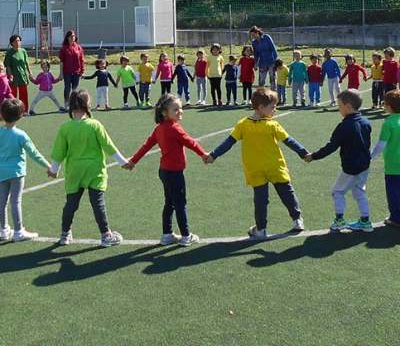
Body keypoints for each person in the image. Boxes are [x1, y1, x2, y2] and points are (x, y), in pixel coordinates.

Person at [205, 88, 308, 239]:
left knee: (261, 200)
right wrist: (303, 153)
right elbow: (289, 141)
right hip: (275, 167)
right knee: (286, 193)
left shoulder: (243, 124)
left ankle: (261, 229)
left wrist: (214, 155)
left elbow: (229, 142)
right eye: (272, 107)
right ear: (260, 107)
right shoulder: (272, 125)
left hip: (255, 169)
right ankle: (297, 220)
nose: (275, 110)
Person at [124, 94, 206, 246]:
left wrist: (133, 161)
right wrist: (204, 154)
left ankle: (167, 234)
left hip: (164, 172)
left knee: (170, 203)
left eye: (180, 108)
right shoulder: (175, 129)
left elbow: (146, 146)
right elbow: (191, 143)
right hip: (175, 173)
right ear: (164, 112)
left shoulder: (159, 129)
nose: (180, 111)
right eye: (175, 109)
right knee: (180, 203)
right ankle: (186, 236)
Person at [49, 89, 127, 247]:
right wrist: (123, 162)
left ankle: (65, 234)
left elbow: (58, 153)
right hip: (94, 170)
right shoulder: (95, 125)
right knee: (97, 202)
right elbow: (109, 146)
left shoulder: (65, 128)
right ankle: (106, 235)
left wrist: (54, 169)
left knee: (71, 203)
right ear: (87, 106)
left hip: (74, 171)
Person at [305, 90, 373, 232]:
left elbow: (331, 146)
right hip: (364, 165)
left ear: (347, 106)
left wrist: (313, 156)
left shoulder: (344, 126)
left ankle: (340, 220)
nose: (338, 108)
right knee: (359, 191)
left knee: (337, 191)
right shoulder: (366, 122)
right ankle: (365, 221)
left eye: (339, 105)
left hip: (351, 167)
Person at [0, 98, 54, 242]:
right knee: (15, 201)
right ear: (20, 116)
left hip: (1, 172)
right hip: (16, 173)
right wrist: (48, 166)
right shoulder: (20, 135)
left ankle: (3, 230)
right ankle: (18, 231)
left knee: (2, 202)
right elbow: (34, 153)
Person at [371, 89, 400, 227]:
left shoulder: (389, 122)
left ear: (389, 106)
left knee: (393, 191)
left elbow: (381, 144)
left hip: (393, 164)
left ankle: (395, 218)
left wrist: (370, 157)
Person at [4, 34, 32, 113]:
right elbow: (8, 65)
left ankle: (24, 111)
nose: (18, 42)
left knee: (24, 95)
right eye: (16, 41)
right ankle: (12, 111)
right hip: (13, 77)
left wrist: (30, 73)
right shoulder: (9, 52)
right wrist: (10, 75)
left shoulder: (23, 51)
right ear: (12, 43)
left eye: (19, 41)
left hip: (22, 76)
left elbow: (27, 63)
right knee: (13, 95)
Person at [59, 30, 85, 110]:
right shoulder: (64, 48)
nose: (72, 37)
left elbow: (82, 60)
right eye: (70, 36)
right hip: (67, 72)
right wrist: (61, 73)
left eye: (73, 36)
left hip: (76, 72)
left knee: (74, 89)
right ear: (67, 37)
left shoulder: (78, 47)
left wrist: (82, 71)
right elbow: (61, 62)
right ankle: (66, 104)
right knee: (67, 88)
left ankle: (73, 104)